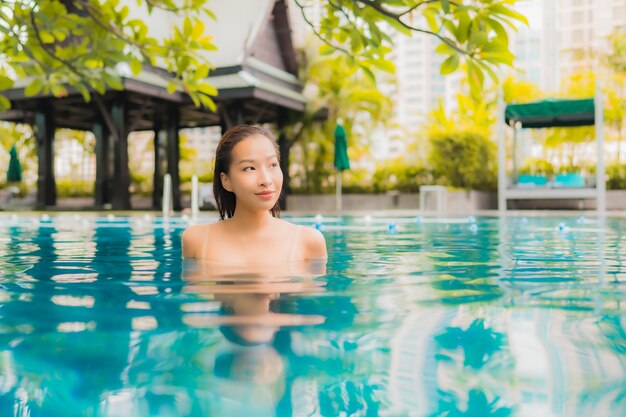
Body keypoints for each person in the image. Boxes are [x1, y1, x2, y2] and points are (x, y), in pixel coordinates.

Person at [182, 124, 327, 267]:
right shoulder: (196, 240)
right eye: (249, 168)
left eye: (272, 165)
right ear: (226, 181)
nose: (266, 180)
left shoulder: (308, 241)